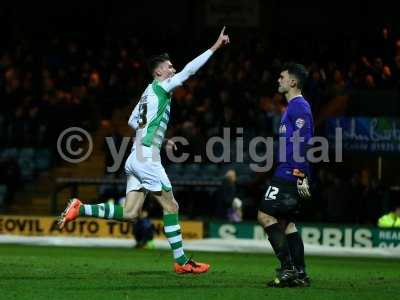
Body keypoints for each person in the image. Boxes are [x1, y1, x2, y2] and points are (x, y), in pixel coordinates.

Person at [58, 27, 230, 274]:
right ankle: (181, 262)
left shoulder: (147, 93)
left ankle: (80, 207)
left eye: (172, 67)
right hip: (147, 157)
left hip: (135, 156)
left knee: (130, 213)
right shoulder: (162, 87)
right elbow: (189, 71)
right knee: (172, 206)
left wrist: (161, 137)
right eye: (169, 67)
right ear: (159, 71)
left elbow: (132, 121)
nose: (173, 69)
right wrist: (214, 47)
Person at [257, 63, 313, 287]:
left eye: (281, 77)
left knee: (265, 215)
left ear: (293, 82)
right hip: (290, 169)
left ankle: (288, 269)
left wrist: (300, 173)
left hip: (290, 171)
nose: (278, 80)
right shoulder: (291, 107)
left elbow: (304, 139)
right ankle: (299, 272)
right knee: (287, 223)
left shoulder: (299, 107)